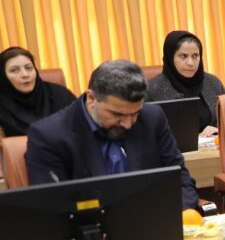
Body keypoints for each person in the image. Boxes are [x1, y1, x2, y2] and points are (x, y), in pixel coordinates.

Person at [25, 60, 198, 208]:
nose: (128, 124)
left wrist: (181, 213)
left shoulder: (152, 118)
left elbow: (179, 177)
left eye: (135, 113)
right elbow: (52, 205)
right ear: (92, 99)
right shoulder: (49, 136)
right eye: (118, 114)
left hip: (153, 219)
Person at [145, 30, 225, 137]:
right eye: (183, 56)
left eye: (195, 56)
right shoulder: (152, 89)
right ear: (170, 57)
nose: (190, 63)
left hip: (212, 146)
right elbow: (143, 131)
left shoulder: (213, 82)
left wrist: (218, 129)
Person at [0, 46, 76, 138]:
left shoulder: (59, 94)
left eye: (29, 68)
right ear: (3, 76)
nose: (25, 75)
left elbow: (82, 123)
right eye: (14, 70)